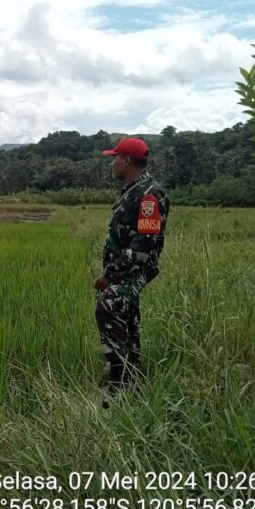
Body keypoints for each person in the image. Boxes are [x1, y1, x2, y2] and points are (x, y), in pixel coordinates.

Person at [94, 138, 169, 406]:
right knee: (126, 318)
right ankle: (131, 376)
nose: (112, 163)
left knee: (108, 307)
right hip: (124, 269)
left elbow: (144, 244)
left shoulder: (149, 194)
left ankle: (120, 383)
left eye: (114, 158)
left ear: (126, 160)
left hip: (133, 270)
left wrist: (111, 272)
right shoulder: (133, 190)